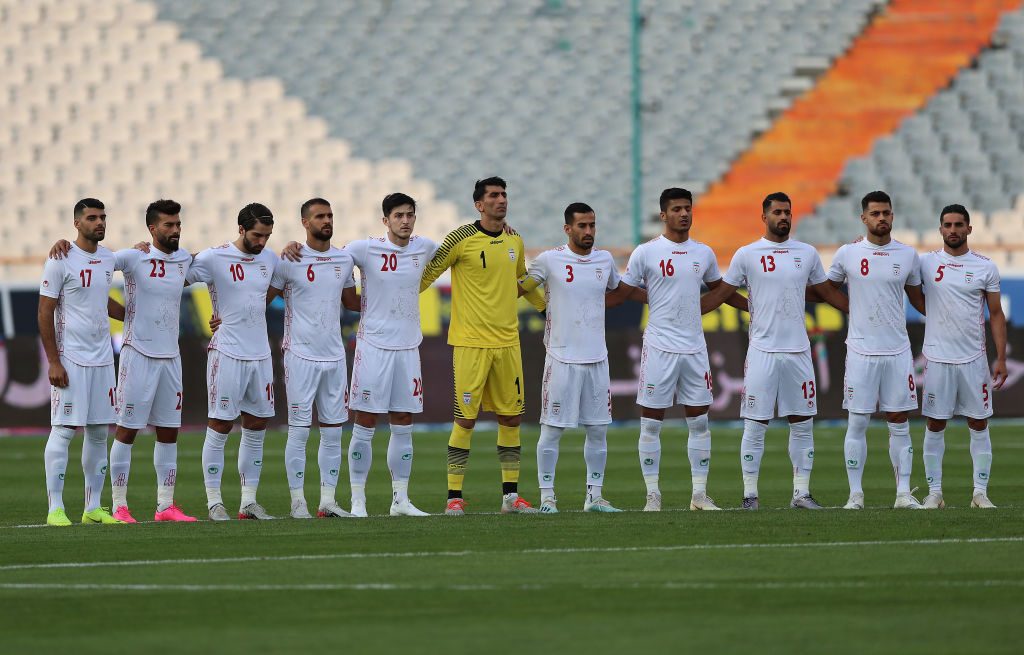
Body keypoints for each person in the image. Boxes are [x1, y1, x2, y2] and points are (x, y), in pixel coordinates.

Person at [49, 200, 198, 522]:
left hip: (171, 355)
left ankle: (165, 506)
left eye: (178, 224)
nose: (175, 230)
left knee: (169, 431)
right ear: (152, 228)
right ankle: (118, 504)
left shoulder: (185, 259)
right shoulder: (130, 257)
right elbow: (87, 271)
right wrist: (63, 244)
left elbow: (226, 274)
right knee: (125, 430)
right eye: (169, 225)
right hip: (135, 353)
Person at [701, 192, 848, 510]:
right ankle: (750, 496)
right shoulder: (747, 254)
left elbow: (823, 292)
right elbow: (723, 292)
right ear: (764, 216)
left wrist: (857, 309)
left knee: (802, 422)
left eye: (788, 212)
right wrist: (691, 309)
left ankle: (801, 493)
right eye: (778, 212)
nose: (784, 217)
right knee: (755, 423)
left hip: (798, 351)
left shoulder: (806, 253)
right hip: (763, 352)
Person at [613, 188, 747, 511]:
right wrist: (652, 300)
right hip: (659, 346)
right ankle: (652, 495)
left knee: (699, 422)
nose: (684, 214)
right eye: (676, 209)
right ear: (663, 215)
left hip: (694, 348)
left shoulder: (703, 253)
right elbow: (625, 291)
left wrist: (752, 308)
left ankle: (699, 495)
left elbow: (721, 290)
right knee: (651, 423)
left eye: (687, 208)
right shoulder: (646, 253)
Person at [419, 177, 546, 515]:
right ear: (479, 204)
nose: (501, 200)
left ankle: (511, 498)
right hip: (470, 343)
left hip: (507, 341)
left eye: (504, 194)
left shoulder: (515, 239)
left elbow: (521, 281)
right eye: (493, 195)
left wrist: (547, 308)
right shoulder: (460, 239)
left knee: (511, 419)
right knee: (466, 421)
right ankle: (454, 498)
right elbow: (427, 275)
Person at [520, 202, 637, 513]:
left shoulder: (605, 259)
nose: (588, 232)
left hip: (597, 357)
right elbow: (522, 288)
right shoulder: (549, 260)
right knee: (552, 430)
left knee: (598, 430)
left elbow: (615, 291)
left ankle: (594, 497)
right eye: (582, 226)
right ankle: (547, 498)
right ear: (567, 228)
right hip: (561, 358)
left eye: (592, 225)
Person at [824, 191, 926, 510]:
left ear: (893, 216)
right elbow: (826, 287)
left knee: (899, 421)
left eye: (887, 213)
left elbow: (918, 299)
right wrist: (850, 307)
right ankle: (855, 495)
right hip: (861, 352)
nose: (882, 218)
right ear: (864, 218)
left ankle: (903, 494)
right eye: (876, 213)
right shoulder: (848, 253)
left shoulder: (908, 255)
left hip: (896, 351)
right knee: (858, 422)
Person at [186, 203, 279, 520]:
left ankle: (248, 502)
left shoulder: (270, 258)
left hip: (260, 354)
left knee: (257, 424)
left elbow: (264, 294)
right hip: (227, 352)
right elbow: (177, 277)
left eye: (267, 235)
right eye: (257, 235)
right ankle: (214, 501)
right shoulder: (215, 257)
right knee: (221, 423)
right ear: (241, 229)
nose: (262, 242)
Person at [344, 194, 435, 517]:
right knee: (365, 421)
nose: (406, 221)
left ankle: (400, 500)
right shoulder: (363, 249)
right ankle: (358, 500)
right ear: (386, 220)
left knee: (403, 421)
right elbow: (327, 260)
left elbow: (460, 250)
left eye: (410, 215)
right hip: (373, 347)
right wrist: (294, 249)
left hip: (408, 348)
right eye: (399, 215)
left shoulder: (424, 247)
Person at [271, 198, 359, 519]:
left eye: (330, 215)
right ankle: (297, 502)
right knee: (299, 430)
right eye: (320, 216)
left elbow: (352, 302)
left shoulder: (344, 259)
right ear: (305, 223)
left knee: (333, 431)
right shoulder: (289, 260)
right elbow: (261, 297)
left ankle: (327, 501)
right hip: (300, 354)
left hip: (334, 356)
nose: (327, 221)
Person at [39, 198, 124, 525]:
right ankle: (55, 508)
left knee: (99, 432)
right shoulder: (60, 258)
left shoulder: (107, 258)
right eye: (92, 217)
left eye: (102, 217)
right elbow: (45, 311)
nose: (99, 222)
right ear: (77, 223)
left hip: (103, 359)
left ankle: (92, 508)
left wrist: (131, 315)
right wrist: (53, 361)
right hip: (71, 359)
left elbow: (101, 299)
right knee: (63, 430)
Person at [918, 204, 1006, 509]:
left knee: (979, 424)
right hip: (938, 360)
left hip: (973, 360)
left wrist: (1002, 359)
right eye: (947, 224)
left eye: (958, 224)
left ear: (969, 229)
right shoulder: (925, 263)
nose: (952, 230)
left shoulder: (985, 266)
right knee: (934, 424)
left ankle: (980, 493)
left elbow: (995, 314)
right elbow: (905, 286)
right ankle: (935, 493)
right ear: (940, 229)